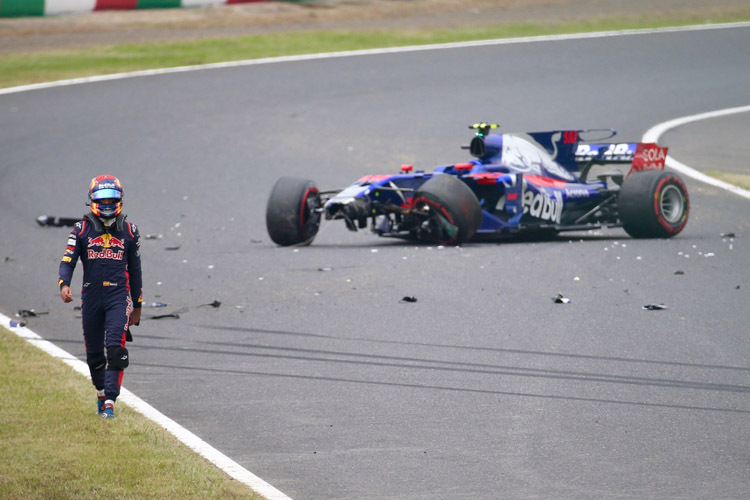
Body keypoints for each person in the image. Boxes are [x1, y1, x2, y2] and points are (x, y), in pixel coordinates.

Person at [58, 175, 143, 419]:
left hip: (118, 297)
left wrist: (137, 305)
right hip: (92, 298)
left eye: (111, 199)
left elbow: (136, 271)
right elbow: (68, 260)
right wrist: (64, 284)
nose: (107, 204)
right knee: (95, 354)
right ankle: (100, 391)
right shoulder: (81, 229)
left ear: (120, 200)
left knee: (115, 349)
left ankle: (110, 402)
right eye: (102, 199)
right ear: (93, 200)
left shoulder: (130, 231)